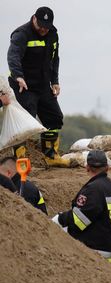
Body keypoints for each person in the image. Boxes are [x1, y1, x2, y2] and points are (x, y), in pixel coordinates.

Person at [7, 7, 71, 167]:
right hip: (24, 85)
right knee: (25, 121)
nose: (43, 29)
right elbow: (13, 55)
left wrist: (54, 81)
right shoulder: (22, 34)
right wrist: (18, 76)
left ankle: (51, 155)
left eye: (46, 26)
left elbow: (55, 58)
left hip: (43, 84)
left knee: (55, 117)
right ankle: (19, 159)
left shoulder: (52, 34)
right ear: (34, 18)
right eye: (41, 25)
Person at [52, 150, 111, 264]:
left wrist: (59, 219)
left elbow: (79, 220)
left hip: (94, 251)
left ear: (87, 167)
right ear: (107, 167)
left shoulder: (93, 189)